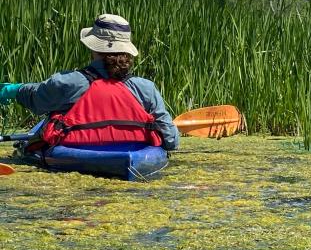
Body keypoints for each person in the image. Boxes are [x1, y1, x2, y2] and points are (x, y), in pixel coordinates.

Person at [0, 14, 179, 152]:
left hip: (74, 152)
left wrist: (16, 90)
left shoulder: (68, 82)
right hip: (132, 154)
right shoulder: (145, 88)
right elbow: (171, 140)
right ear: (127, 51)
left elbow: (36, 100)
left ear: (93, 47)